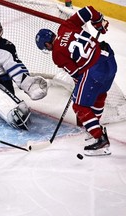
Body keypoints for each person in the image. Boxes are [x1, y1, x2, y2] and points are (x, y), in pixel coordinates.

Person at [35, 6, 117, 156]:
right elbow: (89, 10)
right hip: (109, 60)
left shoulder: (56, 55)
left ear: (47, 44)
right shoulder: (65, 26)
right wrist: (99, 22)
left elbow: (77, 73)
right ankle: (94, 129)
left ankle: (100, 138)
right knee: (99, 94)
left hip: (95, 70)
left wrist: (79, 85)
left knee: (79, 104)